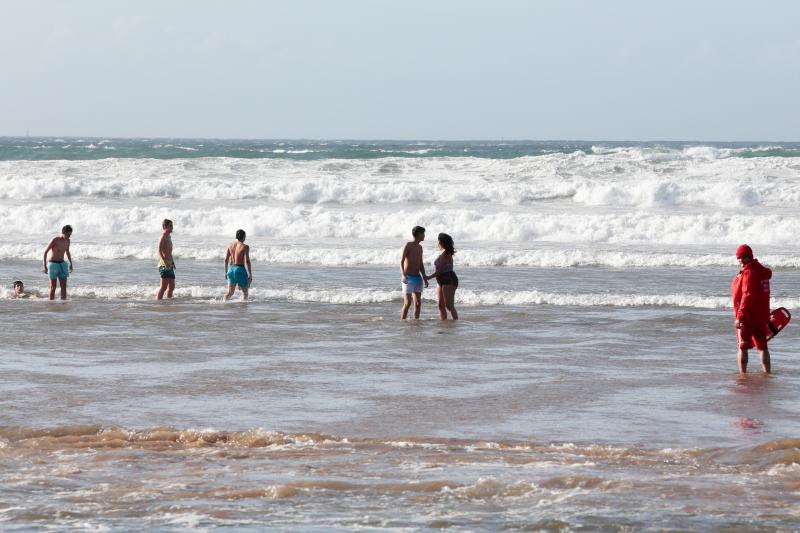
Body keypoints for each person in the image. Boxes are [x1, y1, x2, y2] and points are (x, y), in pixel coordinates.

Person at [731, 244, 772, 373]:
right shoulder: (761, 272)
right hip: (761, 317)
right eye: (739, 258)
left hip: (747, 318)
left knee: (742, 347)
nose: (740, 261)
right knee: (762, 347)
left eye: (742, 257)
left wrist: (740, 317)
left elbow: (747, 296)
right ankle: (767, 373)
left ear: (747, 257)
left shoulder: (749, 273)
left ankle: (742, 375)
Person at [425, 233, 459, 320]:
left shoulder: (446, 253)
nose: (437, 242)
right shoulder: (443, 252)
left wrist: (429, 277)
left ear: (440, 241)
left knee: (449, 306)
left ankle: (456, 323)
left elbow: (441, 270)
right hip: (441, 280)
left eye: (437, 240)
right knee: (441, 305)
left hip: (448, 279)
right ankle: (443, 323)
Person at [400, 225, 428, 319]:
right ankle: (402, 322)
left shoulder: (420, 247)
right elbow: (401, 261)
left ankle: (416, 321)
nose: (424, 235)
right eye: (423, 233)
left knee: (418, 302)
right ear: (418, 234)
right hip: (408, 277)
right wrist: (403, 275)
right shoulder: (408, 245)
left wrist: (424, 277)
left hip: (417, 278)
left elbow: (421, 263)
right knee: (407, 303)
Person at [42, 225, 73, 300]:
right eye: (68, 234)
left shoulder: (68, 241)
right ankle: (51, 303)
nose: (69, 236)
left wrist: (71, 263)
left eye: (70, 234)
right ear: (63, 232)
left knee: (64, 286)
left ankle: (63, 302)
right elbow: (45, 252)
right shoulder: (55, 240)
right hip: (53, 264)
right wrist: (44, 266)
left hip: (62, 264)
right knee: (53, 287)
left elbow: (67, 252)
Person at [224, 229, 252, 301]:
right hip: (240, 269)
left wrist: (226, 272)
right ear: (244, 237)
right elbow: (247, 261)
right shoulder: (245, 246)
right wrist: (250, 274)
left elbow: (226, 259)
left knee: (230, 292)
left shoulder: (230, 245)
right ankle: (243, 310)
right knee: (245, 293)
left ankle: (224, 303)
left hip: (230, 270)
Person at [157, 219, 176, 300]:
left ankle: (169, 302)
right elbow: (159, 251)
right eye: (170, 226)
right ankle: (158, 303)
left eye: (172, 226)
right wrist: (165, 263)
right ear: (165, 226)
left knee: (172, 287)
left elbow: (169, 252)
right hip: (164, 264)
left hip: (169, 264)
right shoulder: (163, 237)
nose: (172, 227)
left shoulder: (169, 236)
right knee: (163, 287)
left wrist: (173, 263)